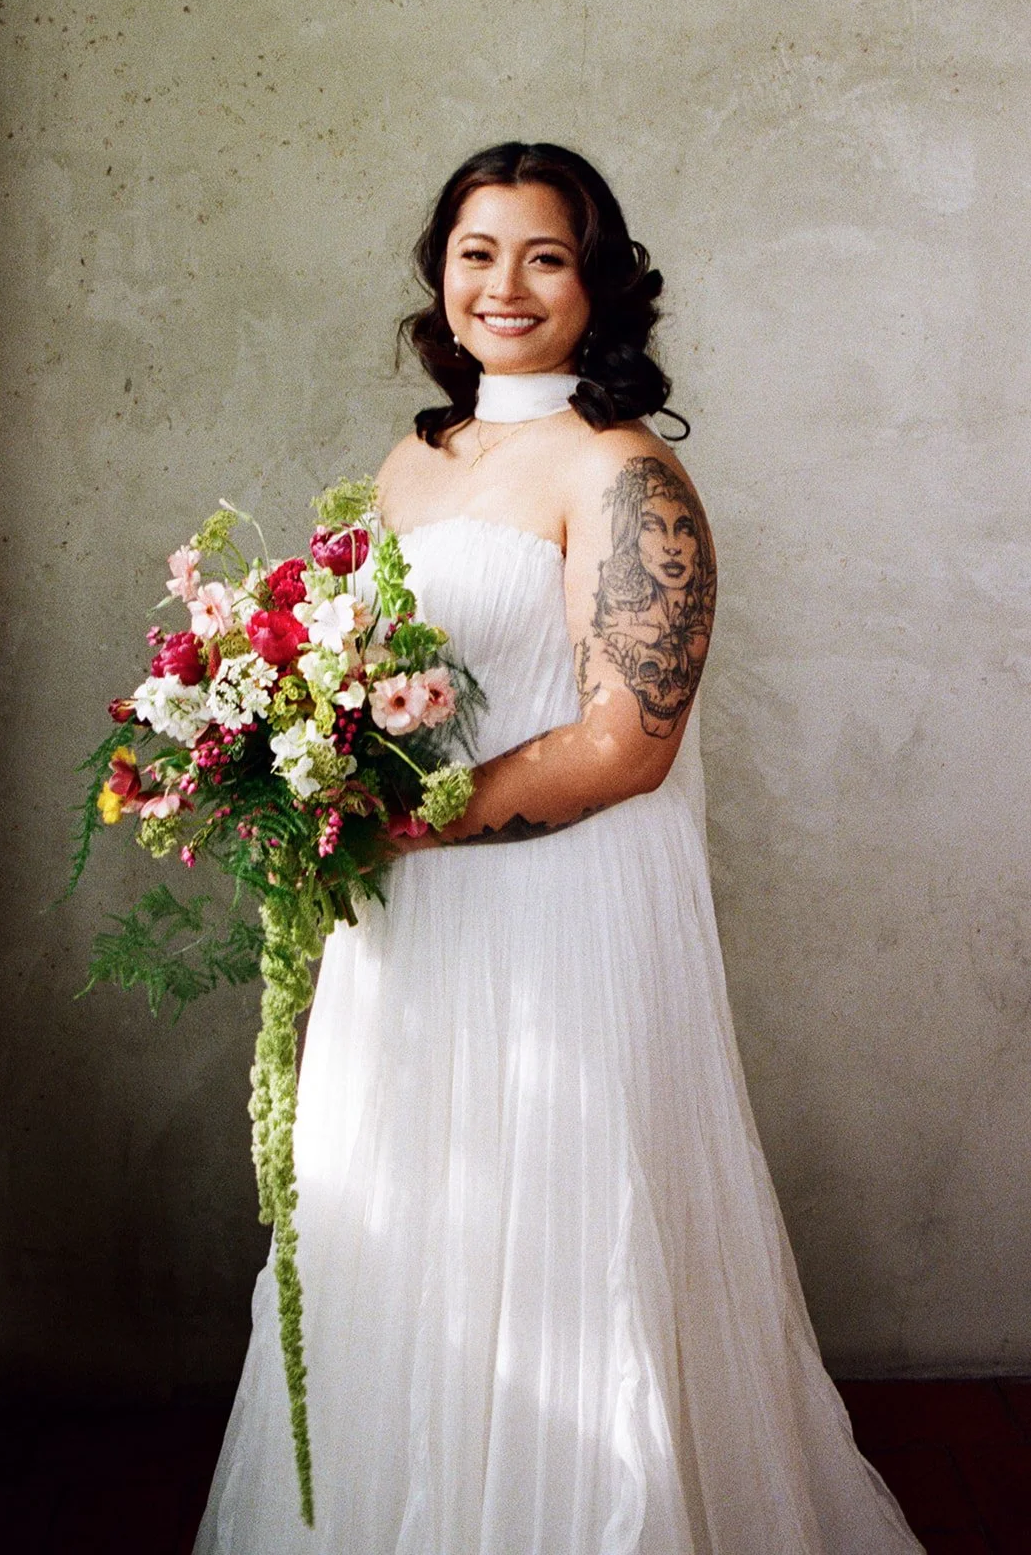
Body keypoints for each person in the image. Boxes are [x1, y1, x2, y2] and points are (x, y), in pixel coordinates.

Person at [194, 142, 923, 1553]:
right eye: (479, 253)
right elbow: (345, 678)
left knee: (565, 1250)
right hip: (405, 931)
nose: (507, 286)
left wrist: (381, 819)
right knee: (408, 1244)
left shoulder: (620, 472)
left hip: (559, 913)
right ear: (441, 277)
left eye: (545, 256)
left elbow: (626, 740)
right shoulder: (417, 460)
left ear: (599, 285)